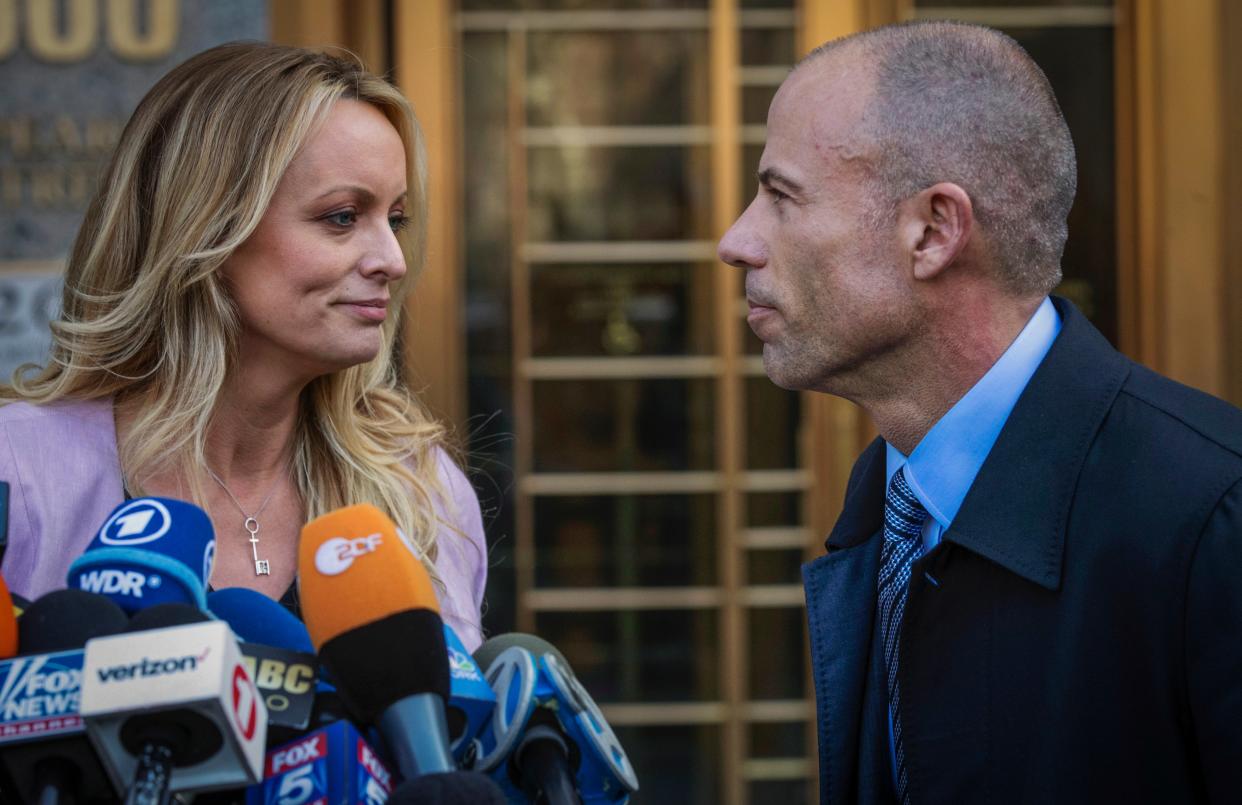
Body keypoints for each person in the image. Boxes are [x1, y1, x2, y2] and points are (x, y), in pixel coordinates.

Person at [718, 21, 1241, 805]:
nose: (737, 241)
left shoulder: (1212, 516)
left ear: (933, 230)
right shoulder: (891, 500)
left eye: (782, 197)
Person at [0, 42, 488, 650]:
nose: (391, 260)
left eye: (397, 219)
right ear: (205, 226)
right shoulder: (19, 474)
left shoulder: (420, 490)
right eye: (341, 217)